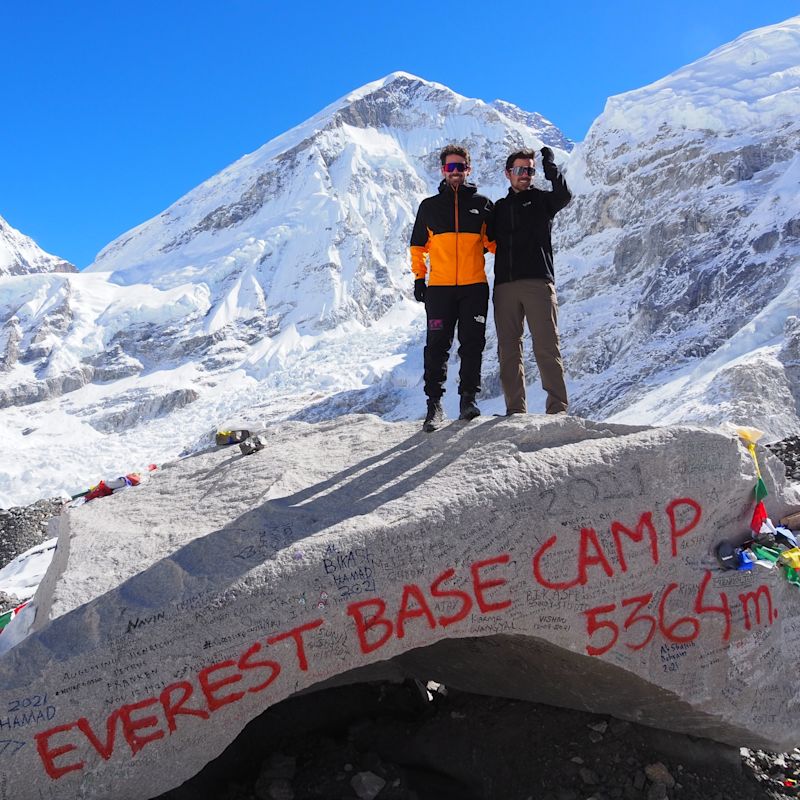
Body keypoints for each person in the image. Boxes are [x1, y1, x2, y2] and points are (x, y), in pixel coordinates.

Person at [410, 145, 495, 432]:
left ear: (468, 169)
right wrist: (420, 278)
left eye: (460, 167)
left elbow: (495, 244)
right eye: (450, 167)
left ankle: (468, 400)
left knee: (473, 345)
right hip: (440, 289)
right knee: (437, 347)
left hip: (474, 287)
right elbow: (417, 246)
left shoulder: (483, 205)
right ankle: (434, 406)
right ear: (443, 170)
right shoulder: (429, 206)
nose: (455, 172)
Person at [489, 147, 572, 415]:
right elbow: (480, 242)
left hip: (538, 282)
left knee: (547, 346)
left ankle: (558, 409)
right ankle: (515, 412)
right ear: (508, 173)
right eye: (520, 170)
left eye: (530, 170)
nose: (525, 175)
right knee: (508, 351)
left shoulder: (543, 201)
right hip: (504, 287)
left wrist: (549, 165)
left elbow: (564, 195)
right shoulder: (498, 208)